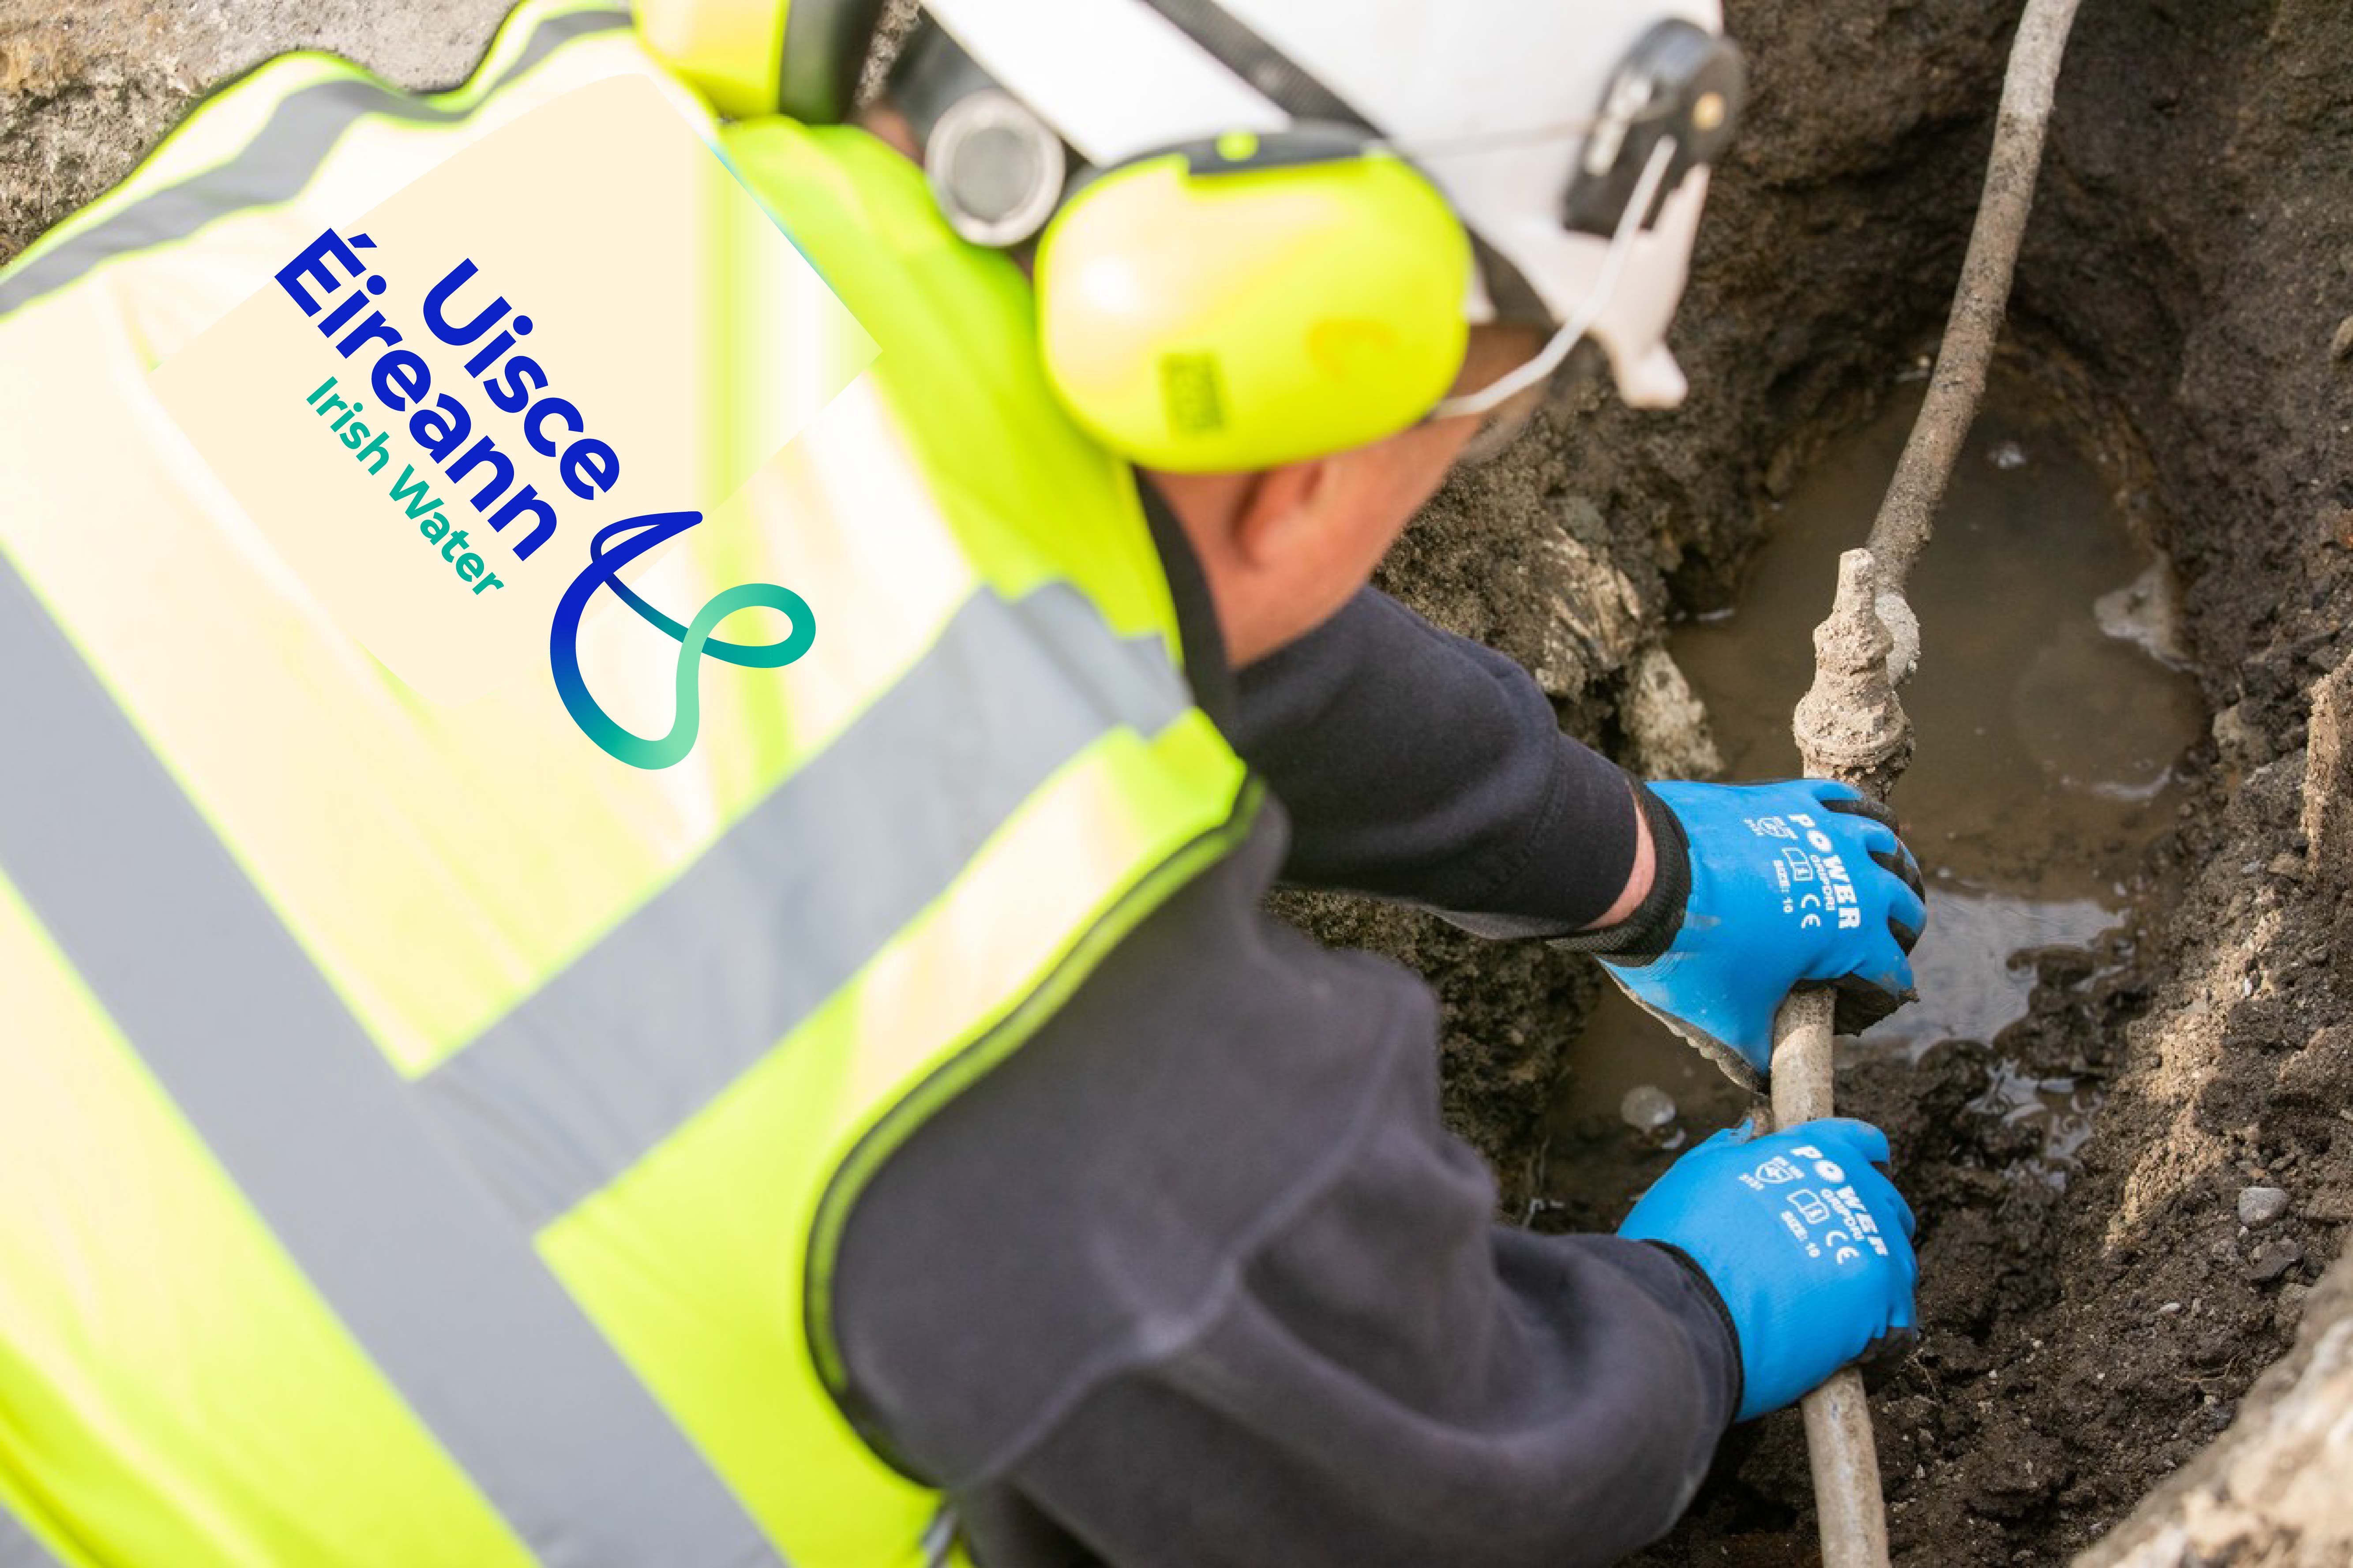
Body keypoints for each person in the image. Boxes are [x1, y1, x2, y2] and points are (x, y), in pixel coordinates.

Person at [0, 1, 1923, 1564]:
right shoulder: (1030, 1000)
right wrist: (1678, 1317)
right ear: (1328, 451)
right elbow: (1437, 1473)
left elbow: (1020, 617)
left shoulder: (435, 187)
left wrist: (1623, 862)